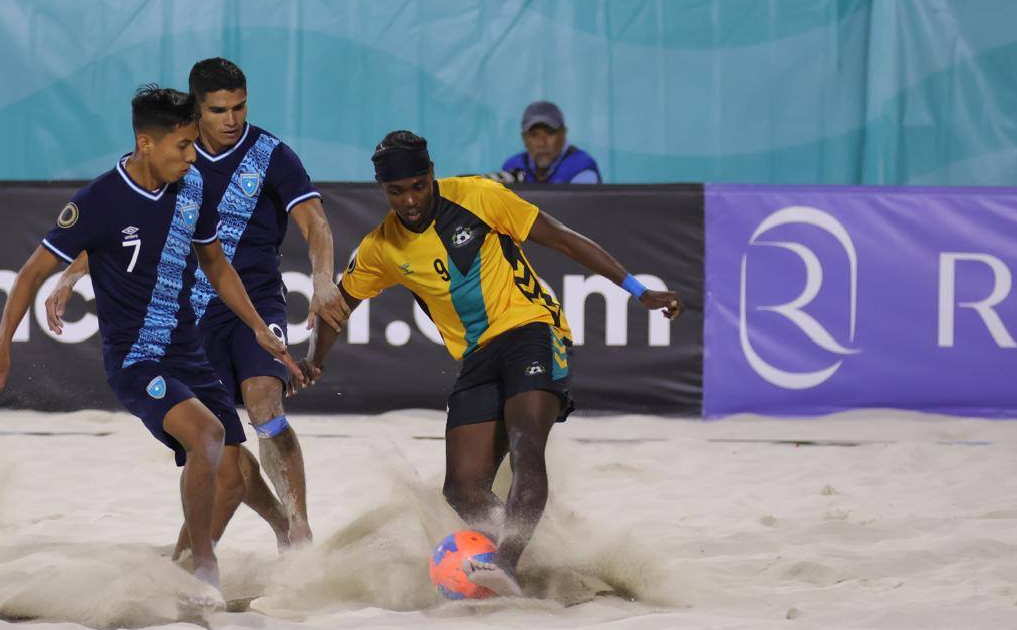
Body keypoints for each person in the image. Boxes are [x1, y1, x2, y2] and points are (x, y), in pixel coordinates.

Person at [303, 131, 682, 596]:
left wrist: (639, 290)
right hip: (477, 358)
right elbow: (339, 306)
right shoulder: (382, 247)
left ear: (431, 174)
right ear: (382, 189)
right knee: (462, 488)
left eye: (419, 186)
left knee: (526, 446)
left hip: (532, 330)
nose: (410, 200)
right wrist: (313, 361)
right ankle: (533, 555)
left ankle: (506, 560)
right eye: (396, 191)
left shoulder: (479, 197)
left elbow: (563, 239)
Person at [0, 85, 299, 606]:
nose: (192, 156)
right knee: (207, 434)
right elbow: (32, 272)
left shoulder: (192, 185)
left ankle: (178, 573)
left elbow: (216, 264)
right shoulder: (99, 200)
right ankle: (204, 567)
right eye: (183, 145)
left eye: (193, 144)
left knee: (234, 479)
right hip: (136, 359)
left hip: (189, 353)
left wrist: (258, 326)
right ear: (146, 143)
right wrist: (2, 346)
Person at [47, 57, 348, 550]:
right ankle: (273, 527)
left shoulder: (272, 155)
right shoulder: (171, 157)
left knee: (264, 402)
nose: (232, 119)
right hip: (189, 316)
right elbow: (117, 225)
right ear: (196, 109)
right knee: (222, 446)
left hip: (254, 300)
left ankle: (300, 530)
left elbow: (315, 222)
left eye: (240, 107)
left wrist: (321, 278)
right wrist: (71, 275)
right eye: (218, 110)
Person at [500, 101, 600, 184]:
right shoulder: (512, 166)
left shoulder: (581, 167)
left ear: (563, 133)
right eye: (534, 135)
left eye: (550, 133)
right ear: (524, 138)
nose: (541, 143)